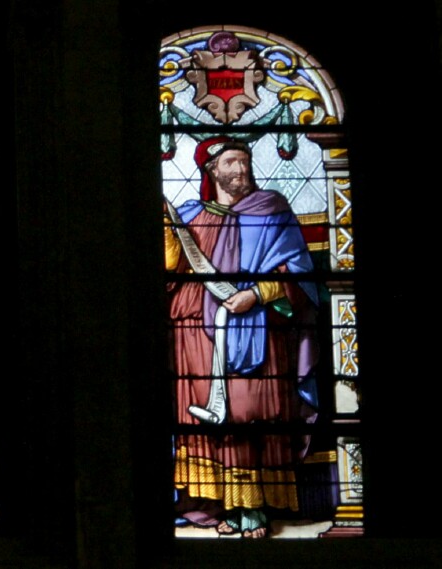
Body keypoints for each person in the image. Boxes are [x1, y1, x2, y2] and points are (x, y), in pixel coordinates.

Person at [167, 137, 319, 538]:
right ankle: (210, 502)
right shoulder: (189, 215)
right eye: (232, 162)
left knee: (249, 411)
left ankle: (252, 507)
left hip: (259, 328)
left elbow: (299, 272)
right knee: (204, 419)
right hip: (196, 334)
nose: (242, 169)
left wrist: (257, 295)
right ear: (211, 169)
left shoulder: (271, 210)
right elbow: (170, 271)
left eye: (245, 161)